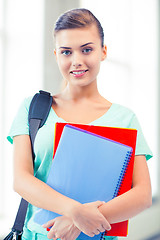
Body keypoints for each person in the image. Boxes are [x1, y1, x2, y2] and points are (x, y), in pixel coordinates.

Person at [7, 8, 153, 240]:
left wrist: (78, 222)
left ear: (103, 51)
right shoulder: (32, 108)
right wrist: (75, 212)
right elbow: (22, 180)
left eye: (87, 49)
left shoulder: (125, 119)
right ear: (56, 55)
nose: (77, 61)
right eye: (66, 52)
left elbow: (143, 195)